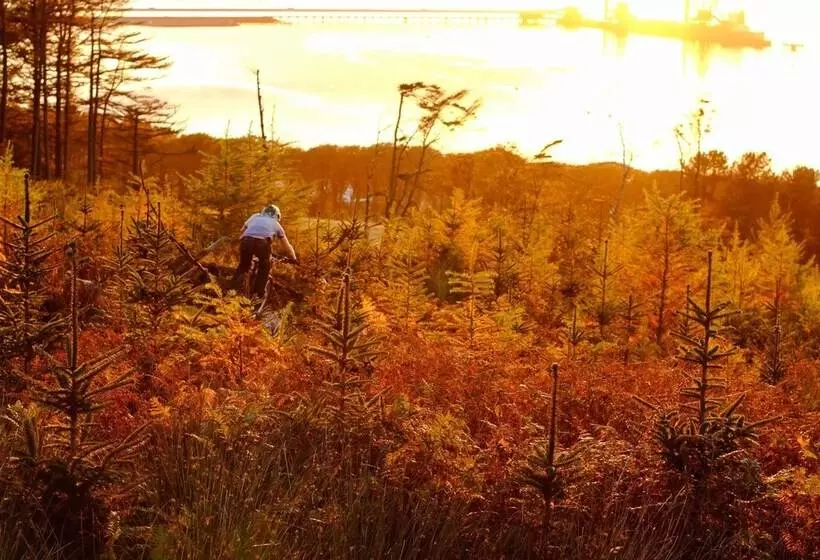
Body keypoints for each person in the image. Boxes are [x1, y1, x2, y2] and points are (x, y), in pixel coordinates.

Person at [232, 204, 297, 297]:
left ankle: (232, 289)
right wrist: (293, 258)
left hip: (246, 240)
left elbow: (242, 229)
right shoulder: (276, 224)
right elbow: (286, 245)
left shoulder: (255, 216)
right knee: (264, 267)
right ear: (277, 216)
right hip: (262, 244)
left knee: (243, 266)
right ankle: (258, 295)